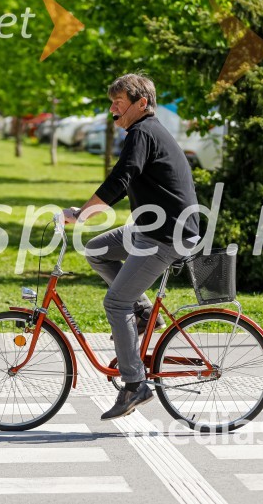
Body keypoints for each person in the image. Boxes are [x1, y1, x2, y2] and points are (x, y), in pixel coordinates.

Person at [63, 73, 200, 420]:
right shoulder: (143, 133)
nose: (112, 110)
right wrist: (86, 213)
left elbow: (120, 178)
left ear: (142, 104)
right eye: (111, 103)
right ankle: (141, 313)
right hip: (149, 229)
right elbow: (125, 182)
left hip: (167, 235)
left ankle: (135, 384)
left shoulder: (143, 132)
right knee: (96, 250)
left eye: (118, 103)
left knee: (115, 301)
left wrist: (81, 214)